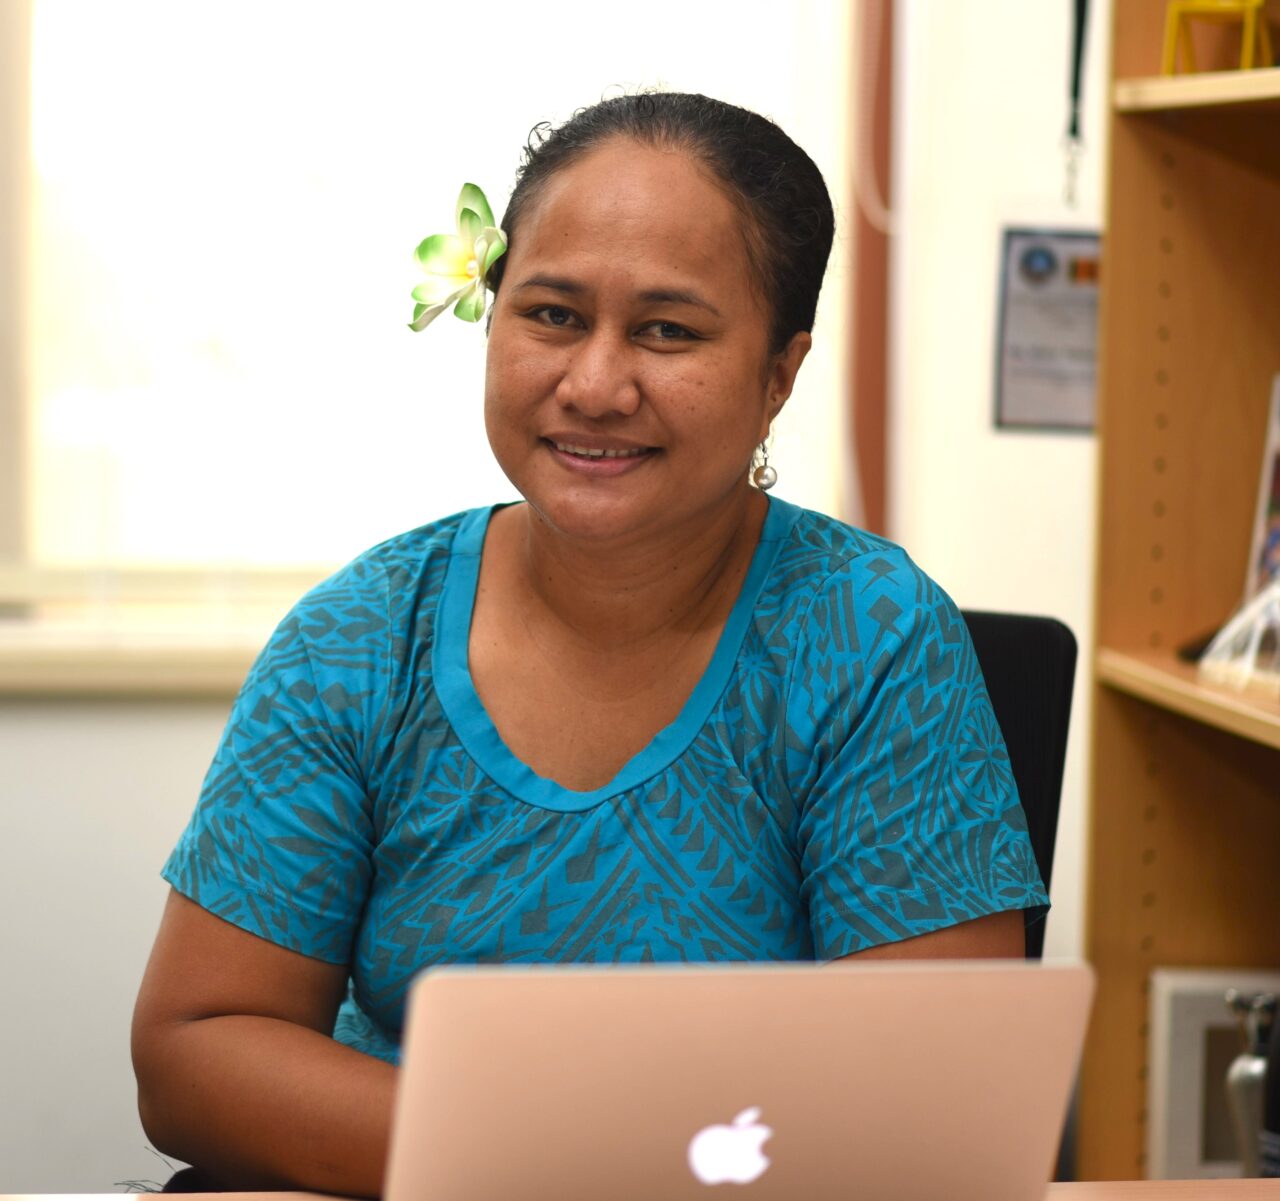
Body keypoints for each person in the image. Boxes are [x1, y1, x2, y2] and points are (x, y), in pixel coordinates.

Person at [132, 92, 1048, 1197]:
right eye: (553, 315)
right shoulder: (359, 639)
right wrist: (548, 1158)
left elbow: (934, 1099)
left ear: (779, 374)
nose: (595, 386)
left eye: (668, 331)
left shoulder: (872, 638)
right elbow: (195, 1050)